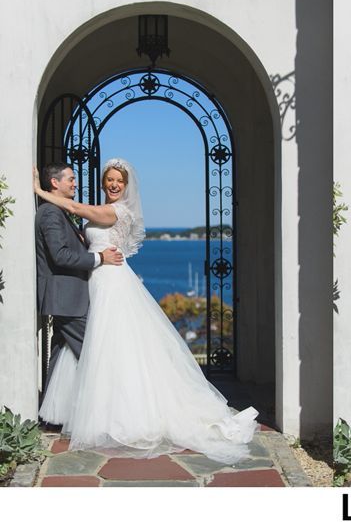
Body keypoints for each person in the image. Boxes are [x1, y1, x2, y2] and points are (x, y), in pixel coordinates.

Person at [33, 159, 258, 464]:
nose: (113, 184)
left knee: (106, 350)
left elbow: (76, 210)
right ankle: (75, 409)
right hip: (94, 283)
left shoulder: (116, 211)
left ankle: (122, 413)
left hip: (111, 282)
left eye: (119, 181)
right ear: (103, 182)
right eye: (109, 179)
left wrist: (37, 190)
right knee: (93, 348)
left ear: (126, 186)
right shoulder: (95, 208)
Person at [36, 162, 123, 425]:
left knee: (61, 353)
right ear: (55, 183)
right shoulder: (51, 213)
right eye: (71, 179)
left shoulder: (55, 211)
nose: (75, 183)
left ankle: (52, 416)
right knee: (95, 353)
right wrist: (98, 257)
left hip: (66, 298)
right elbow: (60, 255)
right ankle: (109, 415)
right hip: (66, 299)